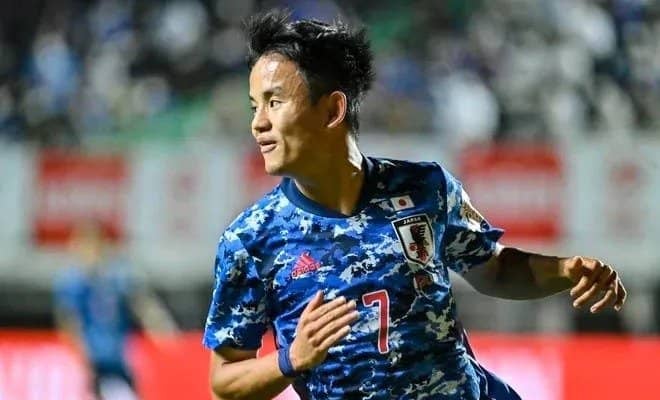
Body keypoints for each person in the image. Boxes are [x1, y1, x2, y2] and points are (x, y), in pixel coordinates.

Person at [203, 10, 627, 400]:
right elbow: (225, 382)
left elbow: (495, 269)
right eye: (255, 106)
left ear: (332, 109)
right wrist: (290, 360)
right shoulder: (250, 240)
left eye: (274, 102)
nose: (258, 123)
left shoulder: (425, 188)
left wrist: (565, 270)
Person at [54, 220, 178, 400]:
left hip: (120, 358)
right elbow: (69, 322)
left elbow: (142, 303)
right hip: (94, 361)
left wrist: (160, 328)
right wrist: (82, 355)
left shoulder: (118, 277)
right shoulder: (73, 282)